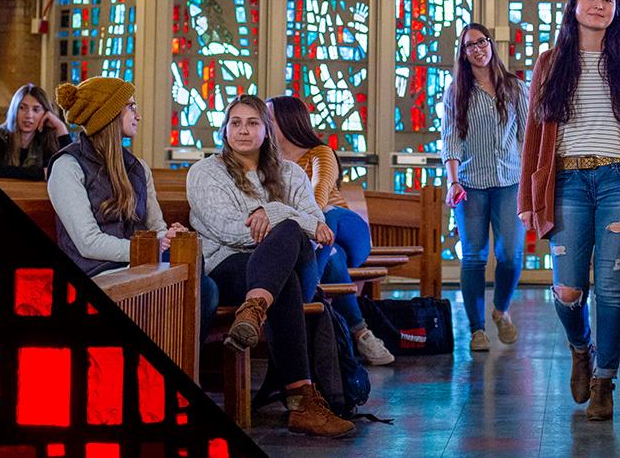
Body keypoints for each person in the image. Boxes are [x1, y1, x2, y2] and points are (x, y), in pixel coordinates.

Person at [516, 0, 620, 422]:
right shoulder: (550, 62)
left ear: (616, 10)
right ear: (575, 5)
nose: (600, 5)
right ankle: (580, 347)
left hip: (619, 181)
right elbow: (532, 135)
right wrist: (529, 197)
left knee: (609, 288)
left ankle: (604, 379)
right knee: (567, 290)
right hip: (566, 183)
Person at [187, 95, 355, 437]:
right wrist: (288, 220)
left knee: (289, 231)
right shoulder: (205, 173)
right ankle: (301, 401)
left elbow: (315, 221)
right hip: (230, 267)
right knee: (284, 280)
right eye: (236, 123)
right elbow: (228, 230)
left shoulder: (290, 172)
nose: (243, 130)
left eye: (253, 123)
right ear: (225, 130)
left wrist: (274, 215)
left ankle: (254, 309)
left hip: (294, 263)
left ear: (267, 130)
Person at [264, 94, 396, 366]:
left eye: (269, 120)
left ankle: (305, 293)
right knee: (332, 254)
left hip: (346, 226)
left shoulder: (319, 153)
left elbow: (319, 192)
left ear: (289, 122)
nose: (264, 126)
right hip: (324, 241)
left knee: (324, 217)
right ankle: (362, 333)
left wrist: (304, 221)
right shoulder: (270, 162)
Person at [440, 22, 530, 352]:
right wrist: (453, 181)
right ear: (463, 54)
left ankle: (501, 310)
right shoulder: (456, 92)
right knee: (474, 258)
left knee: (510, 255)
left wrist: (533, 181)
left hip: (510, 182)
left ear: (491, 44)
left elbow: (527, 136)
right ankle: (477, 330)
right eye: (470, 45)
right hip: (470, 184)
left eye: (483, 41)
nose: (478, 48)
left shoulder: (516, 88)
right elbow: (451, 139)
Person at [45, 77, 187, 277]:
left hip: (140, 264)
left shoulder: (138, 168)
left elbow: (156, 227)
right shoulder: (67, 166)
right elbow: (88, 243)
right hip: (99, 271)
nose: (138, 116)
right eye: (131, 106)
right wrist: (151, 248)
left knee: (192, 263)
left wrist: (171, 237)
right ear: (108, 114)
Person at [0, 84, 73, 180]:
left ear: (45, 114)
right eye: (22, 108)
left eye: (36, 110)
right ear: (14, 110)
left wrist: (61, 128)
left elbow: (71, 170)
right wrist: (42, 173)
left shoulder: (43, 142)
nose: (29, 115)